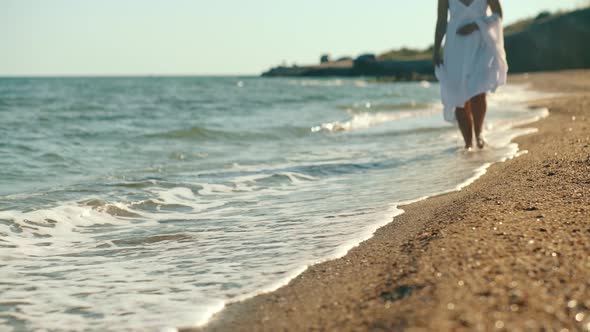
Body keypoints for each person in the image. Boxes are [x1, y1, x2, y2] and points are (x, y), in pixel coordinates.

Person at [433, 0, 508, 149]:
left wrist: (476, 25)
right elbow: (441, 22)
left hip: (481, 45)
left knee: (477, 90)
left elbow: (498, 13)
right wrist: (436, 50)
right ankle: (468, 143)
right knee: (458, 96)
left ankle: (479, 134)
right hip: (455, 47)